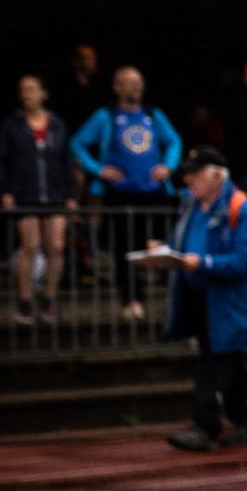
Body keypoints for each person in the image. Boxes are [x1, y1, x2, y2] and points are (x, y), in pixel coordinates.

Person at [154, 145, 247, 452]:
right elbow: (181, 244)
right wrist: (163, 251)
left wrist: (204, 263)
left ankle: (205, 426)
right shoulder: (192, 208)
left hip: (231, 303)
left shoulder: (241, 208)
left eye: (195, 174)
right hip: (203, 299)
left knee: (215, 363)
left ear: (217, 175)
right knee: (226, 361)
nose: (188, 180)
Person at [71, 65, 182, 322]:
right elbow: (77, 144)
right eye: (129, 83)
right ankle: (132, 299)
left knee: (160, 244)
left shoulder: (153, 114)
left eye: (138, 82)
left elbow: (174, 141)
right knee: (125, 247)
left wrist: (168, 166)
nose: (135, 87)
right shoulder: (106, 116)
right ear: (117, 87)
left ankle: (173, 299)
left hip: (153, 192)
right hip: (119, 193)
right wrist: (98, 169)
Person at [0, 74, 74, 323]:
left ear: (43, 93)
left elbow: (66, 161)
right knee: (30, 246)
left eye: (32, 89)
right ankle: (25, 301)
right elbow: (2, 160)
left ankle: (49, 299)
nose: (27, 94)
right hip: (26, 193)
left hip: (55, 193)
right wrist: (6, 191)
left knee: (56, 247)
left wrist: (71, 194)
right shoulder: (12, 125)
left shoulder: (58, 125)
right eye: (23, 90)